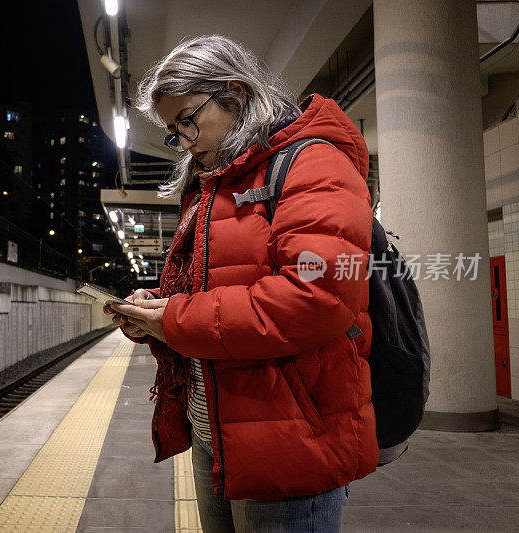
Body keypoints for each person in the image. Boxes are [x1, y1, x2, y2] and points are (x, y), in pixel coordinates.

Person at [103, 35, 378, 532]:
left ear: (234, 91)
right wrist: (156, 312)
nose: (184, 140)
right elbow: (210, 289)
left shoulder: (312, 163)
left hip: (293, 437)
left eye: (188, 119)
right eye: (173, 130)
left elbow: (318, 297)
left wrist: (177, 319)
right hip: (218, 432)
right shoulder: (213, 183)